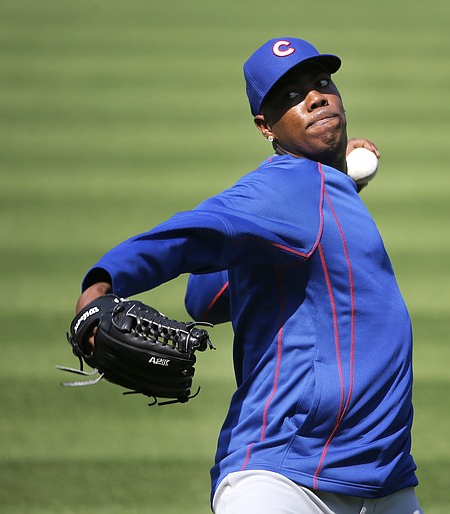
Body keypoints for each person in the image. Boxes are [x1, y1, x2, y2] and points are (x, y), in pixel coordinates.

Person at [75, 37, 422, 514]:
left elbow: (207, 295)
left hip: (385, 479)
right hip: (287, 478)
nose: (316, 98)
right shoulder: (288, 184)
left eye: (321, 83)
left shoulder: (322, 194)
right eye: (290, 96)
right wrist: (103, 282)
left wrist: (347, 180)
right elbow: (197, 234)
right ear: (266, 126)